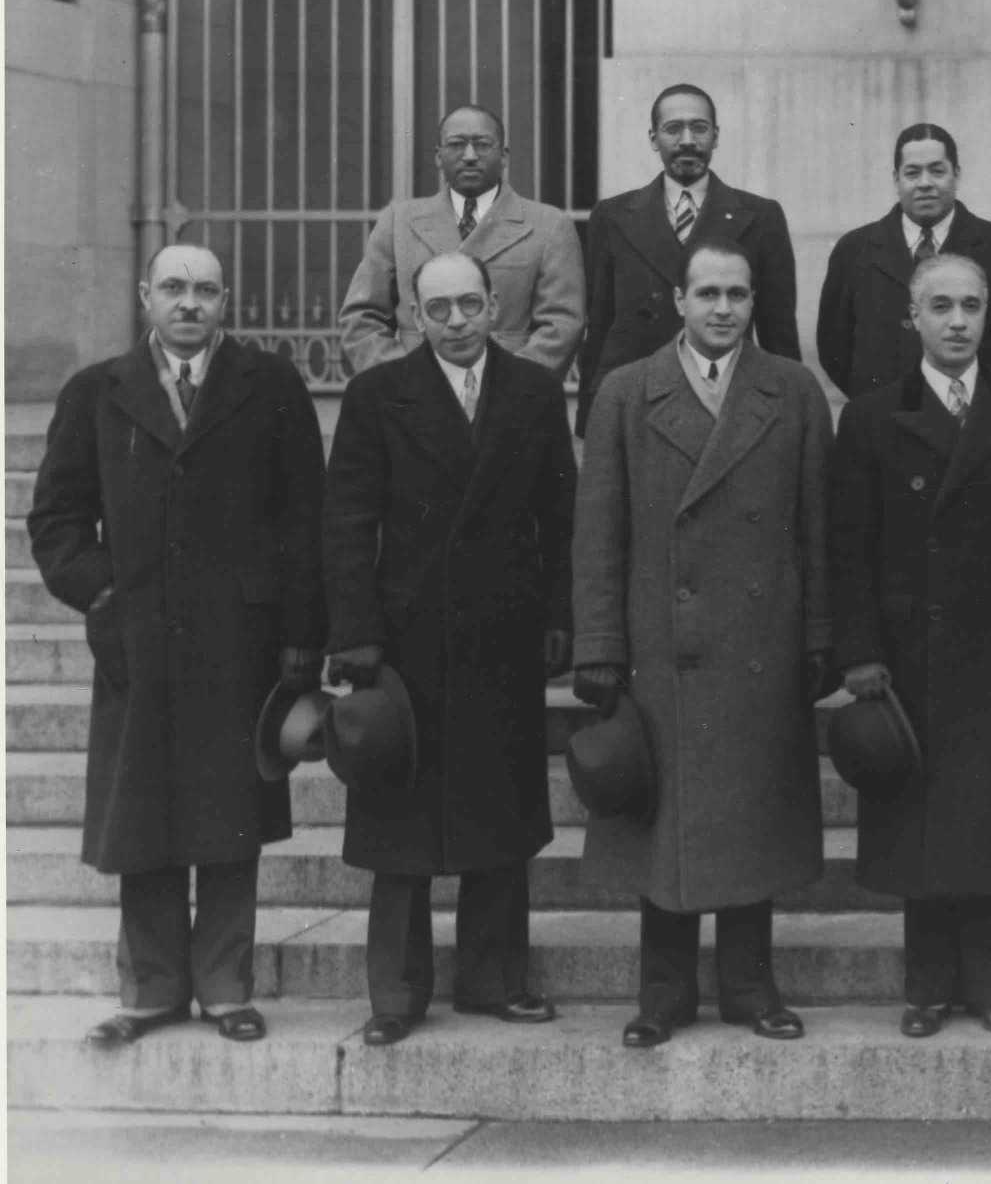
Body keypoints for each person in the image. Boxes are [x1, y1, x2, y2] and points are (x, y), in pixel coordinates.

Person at [30, 243, 324, 1045]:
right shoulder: (97, 392)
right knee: (145, 815)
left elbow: (306, 520)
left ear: (226, 300)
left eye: (203, 290)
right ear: (144, 297)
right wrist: (103, 593)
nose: (188, 303)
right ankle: (153, 989)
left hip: (243, 643)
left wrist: (303, 634)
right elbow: (55, 522)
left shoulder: (269, 387)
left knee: (231, 814)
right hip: (140, 642)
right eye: (173, 289)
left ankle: (227, 987)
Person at [572, 238, 833, 1049]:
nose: (724, 308)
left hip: (762, 643)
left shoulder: (792, 391)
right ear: (679, 302)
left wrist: (821, 637)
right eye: (709, 293)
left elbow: (819, 531)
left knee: (750, 818)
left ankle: (753, 988)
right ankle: (664, 993)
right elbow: (598, 532)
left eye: (739, 294)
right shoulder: (623, 392)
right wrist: (600, 647)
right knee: (667, 826)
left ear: (757, 304)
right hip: (662, 645)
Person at [321, 251, 577, 1047]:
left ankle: (494, 980)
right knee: (399, 822)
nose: (458, 321)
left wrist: (559, 617)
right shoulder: (376, 396)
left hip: (502, 635)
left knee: (498, 812)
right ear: (413, 317)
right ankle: (395, 994)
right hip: (404, 643)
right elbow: (347, 523)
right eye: (439, 309)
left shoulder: (534, 393)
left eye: (470, 304)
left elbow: (560, 516)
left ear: (495, 304)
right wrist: (356, 634)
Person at [829, 253, 991, 1039]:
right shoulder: (873, 415)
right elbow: (849, 546)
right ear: (913, 317)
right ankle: (927, 987)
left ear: (987, 314)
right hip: (909, 653)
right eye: (940, 306)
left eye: (971, 305)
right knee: (921, 820)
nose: (957, 321)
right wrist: (861, 650)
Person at [577, 83, 802, 432]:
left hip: (727, 398)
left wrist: (788, 415)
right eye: (672, 129)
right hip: (637, 399)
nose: (686, 140)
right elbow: (599, 321)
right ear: (653, 138)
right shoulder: (613, 216)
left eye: (698, 128)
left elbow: (779, 332)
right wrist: (590, 418)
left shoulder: (760, 216)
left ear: (715, 136)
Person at [338, 104, 584, 377]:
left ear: (503, 156)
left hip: (508, 398)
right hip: (415, 396)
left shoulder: (548, 225)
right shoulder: (398, 222)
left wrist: (509, 385)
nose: (469, 156)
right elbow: (361, 318)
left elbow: (562, 323)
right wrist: (403, 379)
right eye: (456, 145)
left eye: (482, 145)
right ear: (438, 157)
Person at [817, 121, 991, 395]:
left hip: (977, 425)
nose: (925, 183)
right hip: (883, 425)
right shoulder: (854, 251)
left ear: (956, 174)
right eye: (912, 173)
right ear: (896, 179)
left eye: (937, 171)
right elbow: (835, 349)